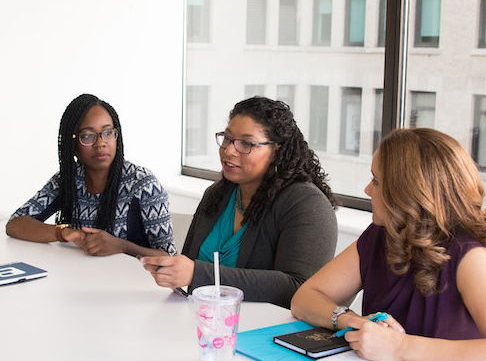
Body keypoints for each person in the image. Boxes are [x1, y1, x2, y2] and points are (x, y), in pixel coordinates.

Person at [291, 127, 486, 361]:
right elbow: (305, 298)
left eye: (376, 181)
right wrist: (349, 320)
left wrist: (399, 347)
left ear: (408, 193)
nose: (367, 190)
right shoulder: (381, 235)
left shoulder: (471, 257)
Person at [141, 96, 337, 308]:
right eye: (227, 138)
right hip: (205, 322)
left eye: (246, 143)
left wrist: (197, 274)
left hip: (265, 333)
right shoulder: (218, 193)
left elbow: (299, 288)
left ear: (276, 151)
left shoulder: (306, 205)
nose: (229, 150)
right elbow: (189, 266)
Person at [6, 94, 175, 257]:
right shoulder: (68, 179)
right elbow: (15, 224)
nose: (100, 143)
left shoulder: (142, 184)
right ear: (72, 142)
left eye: (108, 132)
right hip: (82, 277)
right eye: (87, 136)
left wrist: (121, 246)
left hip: (134, 282)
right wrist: (64, 233)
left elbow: (169, 257)